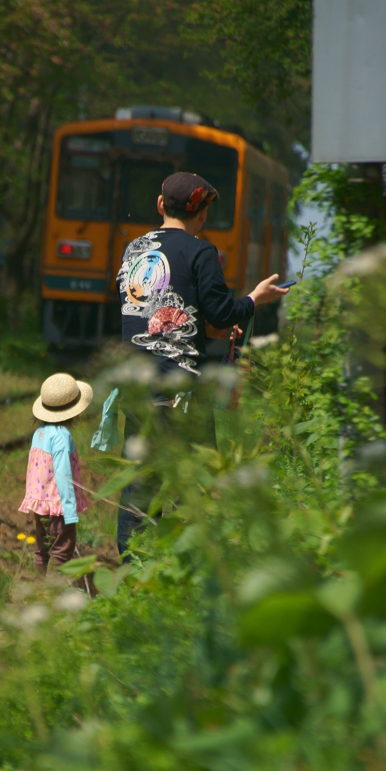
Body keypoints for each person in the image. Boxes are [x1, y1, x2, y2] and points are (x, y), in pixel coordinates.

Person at [115, 170, 289, 554]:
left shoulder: (134, 249)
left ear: (161, 205)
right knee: (200, 484)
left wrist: (198, 329)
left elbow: (143, 311)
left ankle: (131, 571)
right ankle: (195, 565)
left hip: (136, 388)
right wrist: (254, 299)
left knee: (138, 485)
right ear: (203, 213)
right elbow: (222, 311)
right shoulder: (200, 251)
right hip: (178, 395)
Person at [19, 372, 93, 573]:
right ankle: (56, 594)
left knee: (42, 550)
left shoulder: (39, 433)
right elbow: (63, 475)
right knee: (62, 552)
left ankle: (38, 588)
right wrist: (70, 513)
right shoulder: (62, 436)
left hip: (41, 506)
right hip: (59, 507)